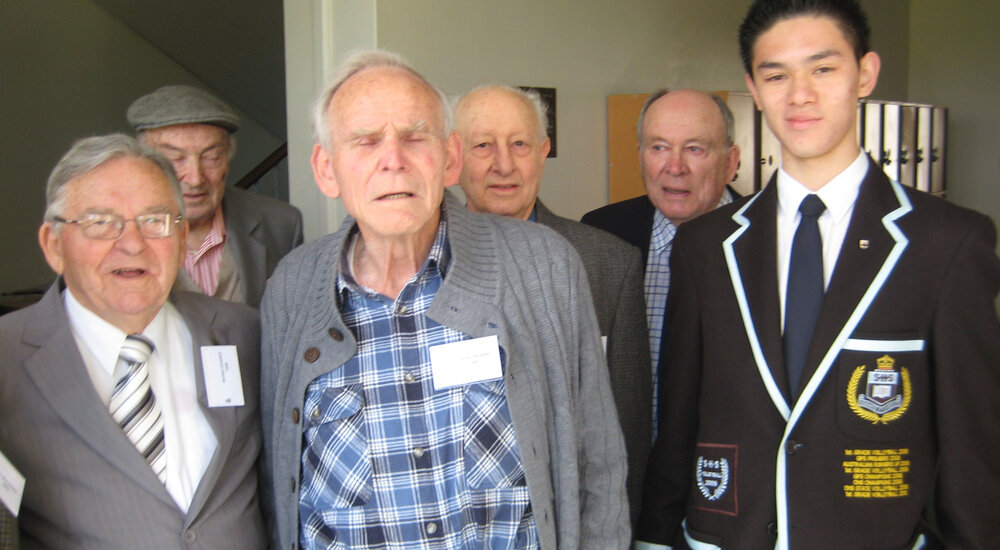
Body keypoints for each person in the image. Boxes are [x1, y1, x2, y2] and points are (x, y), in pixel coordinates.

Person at [636, 0, 1000, 550]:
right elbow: (679, 422)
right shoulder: (706, 247)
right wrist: (655, 540)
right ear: (753, 89)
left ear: (866, 74)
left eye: (823, 69)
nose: (798, 94)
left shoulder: (947, 244)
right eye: (776, 75)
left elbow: (973, 449)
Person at [260, 51, 629, 549]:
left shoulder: (545, 266)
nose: (393, 159)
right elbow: (277, 473)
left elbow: (598, 461)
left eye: (415, 137)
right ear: (327, 170)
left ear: (451, 158)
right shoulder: (292, 289)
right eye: (366, 141)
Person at [0, 134, 266, 549]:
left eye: (154, 221)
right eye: (100, 222)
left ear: (180, 243)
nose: (131, 243)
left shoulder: (245, 334)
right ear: (54, 246)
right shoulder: (6, 358)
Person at [454, 84, 651, 524]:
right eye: (483, 145)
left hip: (571, 523)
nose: (503, 164)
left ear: (543, 151)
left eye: (519, 144)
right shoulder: (421, 268)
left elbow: (628, 429)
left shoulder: (609, 263)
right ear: (453, 157)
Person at [582, 89, 740, 431]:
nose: (674, 167)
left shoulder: (767, 241)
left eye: (695, 149)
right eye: (659, 147)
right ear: (640, 155)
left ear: (730, 162)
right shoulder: (601, 233)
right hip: (626, 470)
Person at [128, 85, 303, 307]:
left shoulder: (280, 224)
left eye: (212, 157)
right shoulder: (111, 232)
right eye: (175, 159)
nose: (195, 178)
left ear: (228, 161)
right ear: (144, 166)